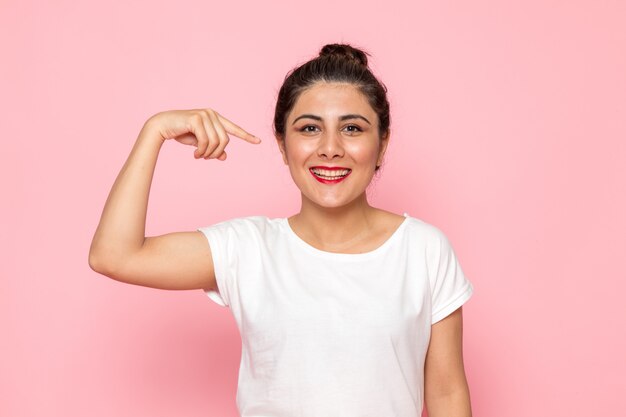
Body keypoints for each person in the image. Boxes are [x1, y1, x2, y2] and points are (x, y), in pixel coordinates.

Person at [89, 43, 474, 417]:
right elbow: (114, 255)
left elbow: (446, 392)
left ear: (382, 143)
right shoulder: (248, 250)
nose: (330, 148)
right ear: (282, 143)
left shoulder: (423, 249)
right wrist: (154, 132)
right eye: (309, 128)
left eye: (352, 128)